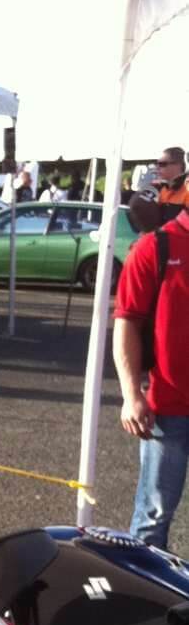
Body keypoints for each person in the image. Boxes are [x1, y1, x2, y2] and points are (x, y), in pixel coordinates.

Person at [112, 195, 189, 548]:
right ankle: (144, 584)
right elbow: (126, 322)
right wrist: (131, 395)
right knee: (153, 518)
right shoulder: (155, 247)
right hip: (168, 409)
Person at [128, 146, 189, 233]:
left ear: (178, 165)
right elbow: (136, 205)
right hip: (160, 238)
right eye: (157, 164)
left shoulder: (186, 189)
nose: (157, 168)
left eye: (162, 164)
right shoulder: (159, 188)